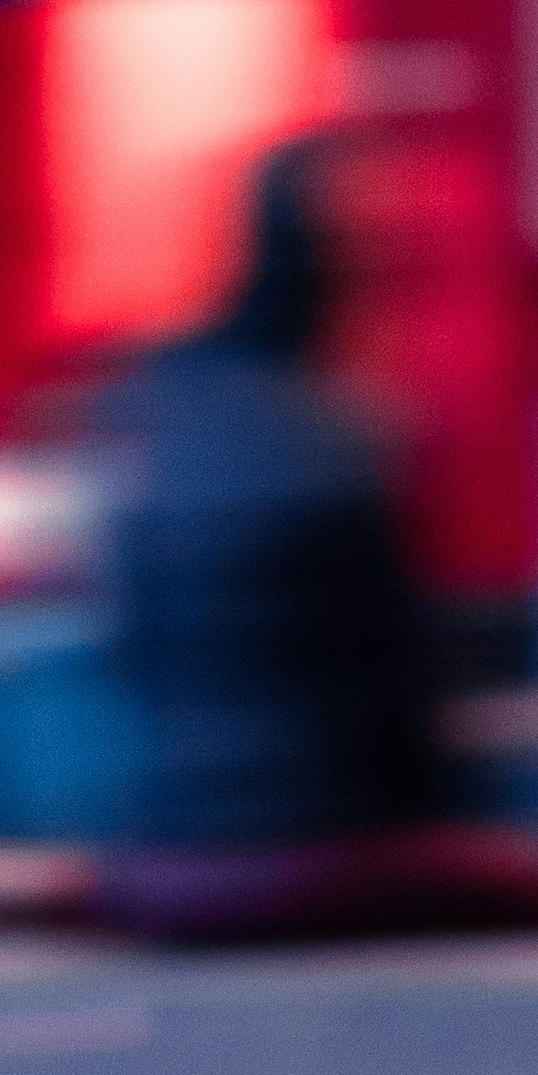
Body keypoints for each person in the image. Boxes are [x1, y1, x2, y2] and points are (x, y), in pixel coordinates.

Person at [93, 135, 443, 920]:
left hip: (167, 818)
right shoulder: (330, 434)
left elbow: (124, 644)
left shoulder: (157, 401)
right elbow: (383, 693)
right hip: (304, 829)